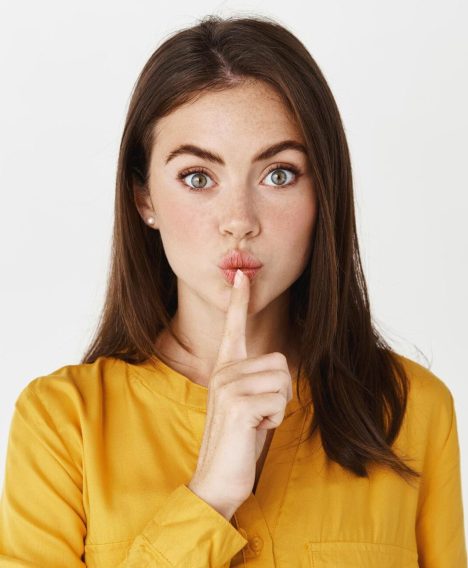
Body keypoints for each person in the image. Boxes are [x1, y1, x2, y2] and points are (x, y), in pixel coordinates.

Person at [0, 13, 466, 568]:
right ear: (144, 198)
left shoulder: (411, 409)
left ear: (325, 194)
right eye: (198, 177)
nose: (239, 220)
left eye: (279, 174)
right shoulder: (62, 422)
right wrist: (209, 496)